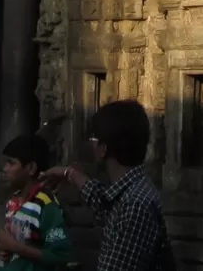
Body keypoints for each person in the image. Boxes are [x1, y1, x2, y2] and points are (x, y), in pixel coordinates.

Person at [44, 99, 171, 271]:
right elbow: (103, 201)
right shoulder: (132, 189)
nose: (91, 145)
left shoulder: (135, 205)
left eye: (93, 139)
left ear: (103, 149)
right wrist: (70, 174)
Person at [0, 134, 73, 271]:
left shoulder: (46, 204)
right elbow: (9, 242)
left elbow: (60, 256)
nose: (5, 169)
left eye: (11, 163)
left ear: (31, 168)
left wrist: (16, 247)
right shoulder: (13, 201)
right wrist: (3, 249)